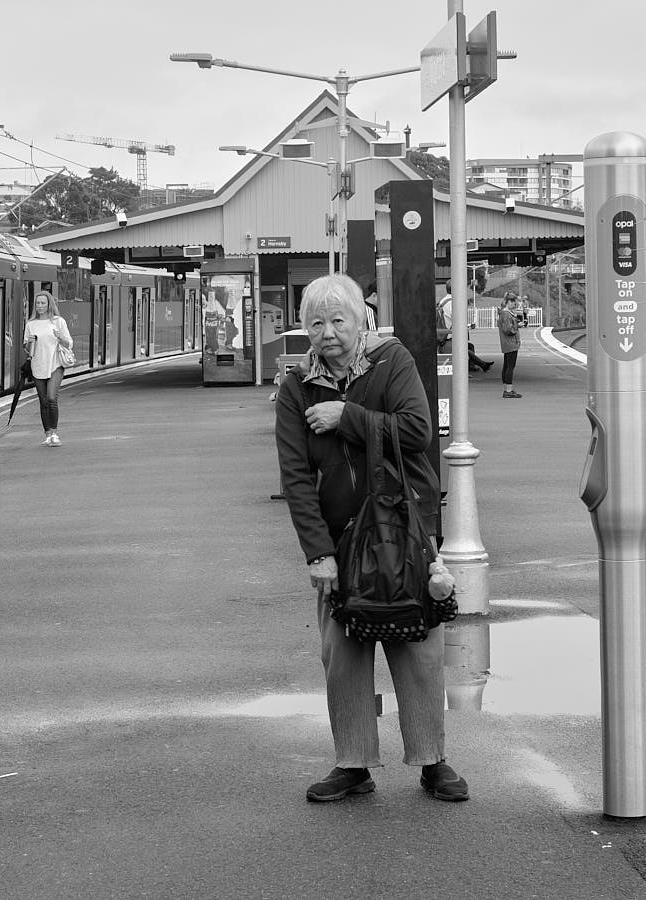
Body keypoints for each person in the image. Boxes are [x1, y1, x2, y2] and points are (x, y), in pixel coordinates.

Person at [274, 273, 469, 804]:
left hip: (405, 532)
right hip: (338, 540)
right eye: (317, 323)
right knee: (342, 653)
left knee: (419, 647)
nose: (328, 333)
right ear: (304, 329)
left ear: (362, 319)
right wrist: (318, 552)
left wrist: (348, 417)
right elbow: (295, 477)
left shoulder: (392, 363)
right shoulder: (295, 389)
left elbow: (417, 431)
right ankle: (353, 763)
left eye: (339, 320)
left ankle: (433, 760)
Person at [23, 291, 74, 447]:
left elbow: (69, 344)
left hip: (55, 364)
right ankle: (47, 434)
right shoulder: (31, 324)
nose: (39, 306)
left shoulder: (58, 322)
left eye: (42, 303)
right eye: (37, 303)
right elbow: (26, 348)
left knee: (51, 397)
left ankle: (54, 433)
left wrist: (60, 337)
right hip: (38, 365)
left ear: (49, 304)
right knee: (43, 401)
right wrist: (29, 343)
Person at [437, 286, 492, 373]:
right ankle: (475, 367)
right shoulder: (452, 303)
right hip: (449, 336)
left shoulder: (442, 301)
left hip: (444, 335)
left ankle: (477, 365)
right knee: (464, 351)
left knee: (468, 348)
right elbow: (457, 319)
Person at [498, 293, 523, 398]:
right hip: (511, 343)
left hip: (507, 343)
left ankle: (506, 388)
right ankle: (508, 390)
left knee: (506, 366)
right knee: (510, 367)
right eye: (514, 303)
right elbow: (508, 329)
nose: (515, 305)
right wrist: (517, 326)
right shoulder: (506, 314)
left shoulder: (504, 313)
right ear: (509, 302)